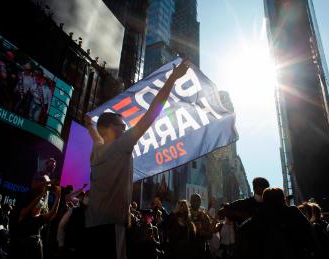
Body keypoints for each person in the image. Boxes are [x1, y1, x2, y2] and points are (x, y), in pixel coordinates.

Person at [83, 60, 189, 259]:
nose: (124, 128)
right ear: (108, 129)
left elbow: (96, 136)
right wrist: (172, 79)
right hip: (112, 226)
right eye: (120, 125)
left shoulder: (97, 150)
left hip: (92, 225)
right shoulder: (120, 144)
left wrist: (90, 125)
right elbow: (151, 114)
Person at [16, 185, 61, 259]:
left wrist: (58, 197)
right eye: (35, 205)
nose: (37, 206)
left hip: (36, 245)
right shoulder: (24, 214)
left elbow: (53, 212)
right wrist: (43, 194)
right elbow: (30, 207)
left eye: (39, 206)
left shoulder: (41, 218)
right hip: (23, 245)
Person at [189, 193, 212, 259]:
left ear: (200, 202)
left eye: (198, 201)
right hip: (188, 249)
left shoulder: (204, 216)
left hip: (201, 249)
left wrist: (201, 231)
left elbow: (210, 235)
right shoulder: (186, 215)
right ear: (190, 202)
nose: (196, 203)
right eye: (194, 200)